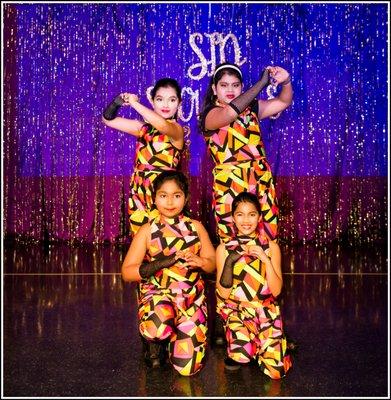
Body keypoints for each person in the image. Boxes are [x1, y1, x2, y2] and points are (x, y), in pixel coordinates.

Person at [121, 170, 216, 376]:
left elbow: (212, 265)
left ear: (186, 198)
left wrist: (201, 261)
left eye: (177, 195)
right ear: (154, 199)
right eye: (163, 195)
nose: (170, 201)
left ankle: (176, 337)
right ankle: (155, 343)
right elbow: (127, 273)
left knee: (188, 369)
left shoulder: (196, 227)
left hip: (191, 300)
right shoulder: (147, 230)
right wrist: (164, 262)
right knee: (157, 328)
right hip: (159, 294)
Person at [199, 62, 293, 244]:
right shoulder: (210, 115)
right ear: (214, 89)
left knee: (266, 233)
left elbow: (283, 101)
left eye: (235, 85)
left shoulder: (252, 109)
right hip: (229, 184)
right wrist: (260, 85)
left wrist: (286, 81)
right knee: (232, 237)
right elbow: (229, 113)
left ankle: (263, 270)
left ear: (241, 87)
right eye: (224, 85)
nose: (230, 90)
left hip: (259, 180)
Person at [215, 192, 292, 379]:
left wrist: (266, 260)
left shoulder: (271, 247)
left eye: (251, 214)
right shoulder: (224, 248)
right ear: (233, 218)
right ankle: (241, 339)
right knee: (242, 355)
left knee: (277, 371)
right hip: (238, 311)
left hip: (265, 310)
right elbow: (223, 294)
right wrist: (230, 262)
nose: (246, 220)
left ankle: (269, 341)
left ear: (259, 217)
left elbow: (276, 290)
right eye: (240, 214)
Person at [102, 78, 185, 236]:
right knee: (140, 240)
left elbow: (162, 126)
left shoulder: (176, 130)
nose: (166, 105)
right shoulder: (143, 128)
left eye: (172, 100)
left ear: (179, 103)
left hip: (163, 191)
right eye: (160, 99)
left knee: (162, 238)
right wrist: (118, 102)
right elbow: (108, 120)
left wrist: (135, 104)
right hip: (139, 191)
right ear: (153, 101)